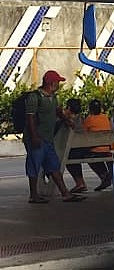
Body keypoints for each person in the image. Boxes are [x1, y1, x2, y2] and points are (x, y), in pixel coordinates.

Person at [23, 70, 86, 204]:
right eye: (57, 82)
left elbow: (57, 111)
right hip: (37, 139)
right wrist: (34, 137)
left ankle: (65, 193)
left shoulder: (53, 97)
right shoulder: (35, 98)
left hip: (48, 139)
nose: (58, 84)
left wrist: (66, 120)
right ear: (51, 83)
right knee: (34, 166)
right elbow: (30, 118)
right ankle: (33, 195)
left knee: (54, 166)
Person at [83, 98, 113, 191]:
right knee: (100, 155)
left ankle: (103, 176)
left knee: (89, 157)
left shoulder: (89, 119)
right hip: (108, 149)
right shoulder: (105, 117)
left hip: (95, 150)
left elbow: (84, 134)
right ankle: (106, 177)